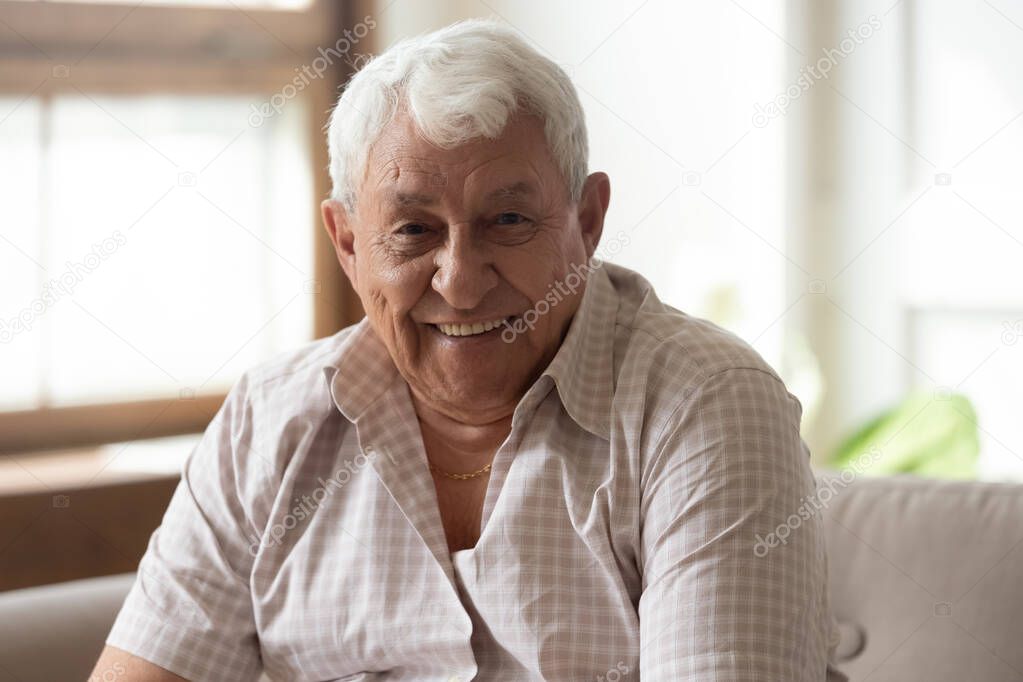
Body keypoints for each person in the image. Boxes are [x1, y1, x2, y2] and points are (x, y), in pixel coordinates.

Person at [92, 18, 846, 681]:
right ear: (349, 244)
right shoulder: (268, 421)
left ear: (586, 222)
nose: (458, 284)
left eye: (508, 220)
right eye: (414, 231)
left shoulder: (704, 406)